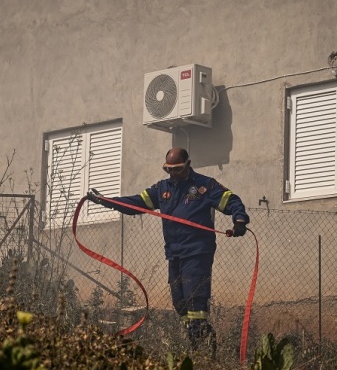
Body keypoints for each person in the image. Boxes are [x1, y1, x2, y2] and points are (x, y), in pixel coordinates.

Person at [87, 147, 249, 351]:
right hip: (174, 254)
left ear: (188, 165)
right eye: (168, 169)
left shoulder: (204, 186)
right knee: (180, 302)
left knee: (194, 300)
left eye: (177, 169)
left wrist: (239, 220)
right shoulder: (162, 189)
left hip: (198, 252)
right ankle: (199, 339)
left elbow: (231, 201)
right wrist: (106, 201)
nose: (173, 174)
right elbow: (135, 203)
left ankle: (202, 348)